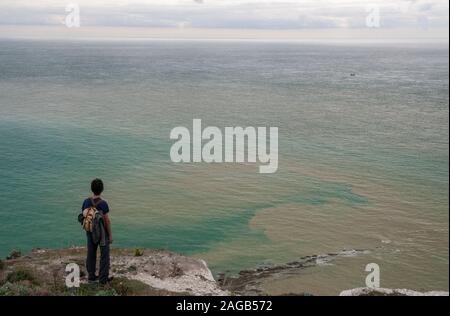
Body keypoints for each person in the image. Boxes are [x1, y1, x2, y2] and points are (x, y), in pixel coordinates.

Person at [81, 178, 113, 284]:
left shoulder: (86, 201)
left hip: (90, 231)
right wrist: (110, 235)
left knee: (91, 253)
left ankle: (91, 276)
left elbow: (84, 215)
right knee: (104, 255)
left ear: (92, 189)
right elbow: (107, 221)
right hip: (102, 233)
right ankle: (103, 279)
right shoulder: (103, 204)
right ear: (102, 189)